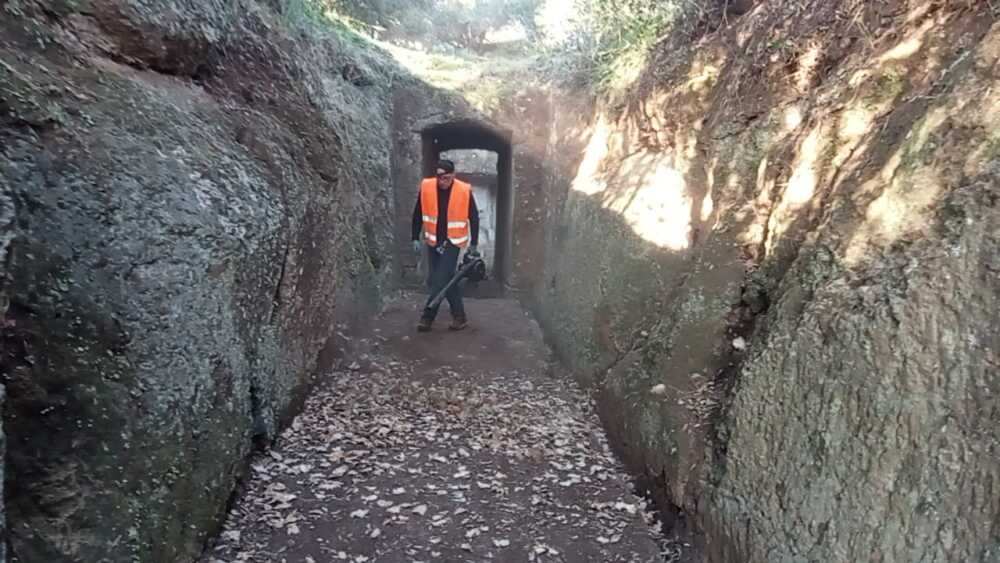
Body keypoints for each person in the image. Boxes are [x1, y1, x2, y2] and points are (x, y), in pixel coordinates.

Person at [411, 159, 480, 332]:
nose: (443, 182)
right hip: (433, 241)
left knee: (438, 280)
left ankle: (427, 316)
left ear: (453, 175)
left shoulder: (463, 190)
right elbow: (418, 213)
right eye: (440, 178)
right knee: (447, 279)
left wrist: (474, 243)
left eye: (447, 178)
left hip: (453, 241)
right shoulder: (427, 187)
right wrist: (414, 237)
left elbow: (474, 217)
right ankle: (460, 316)